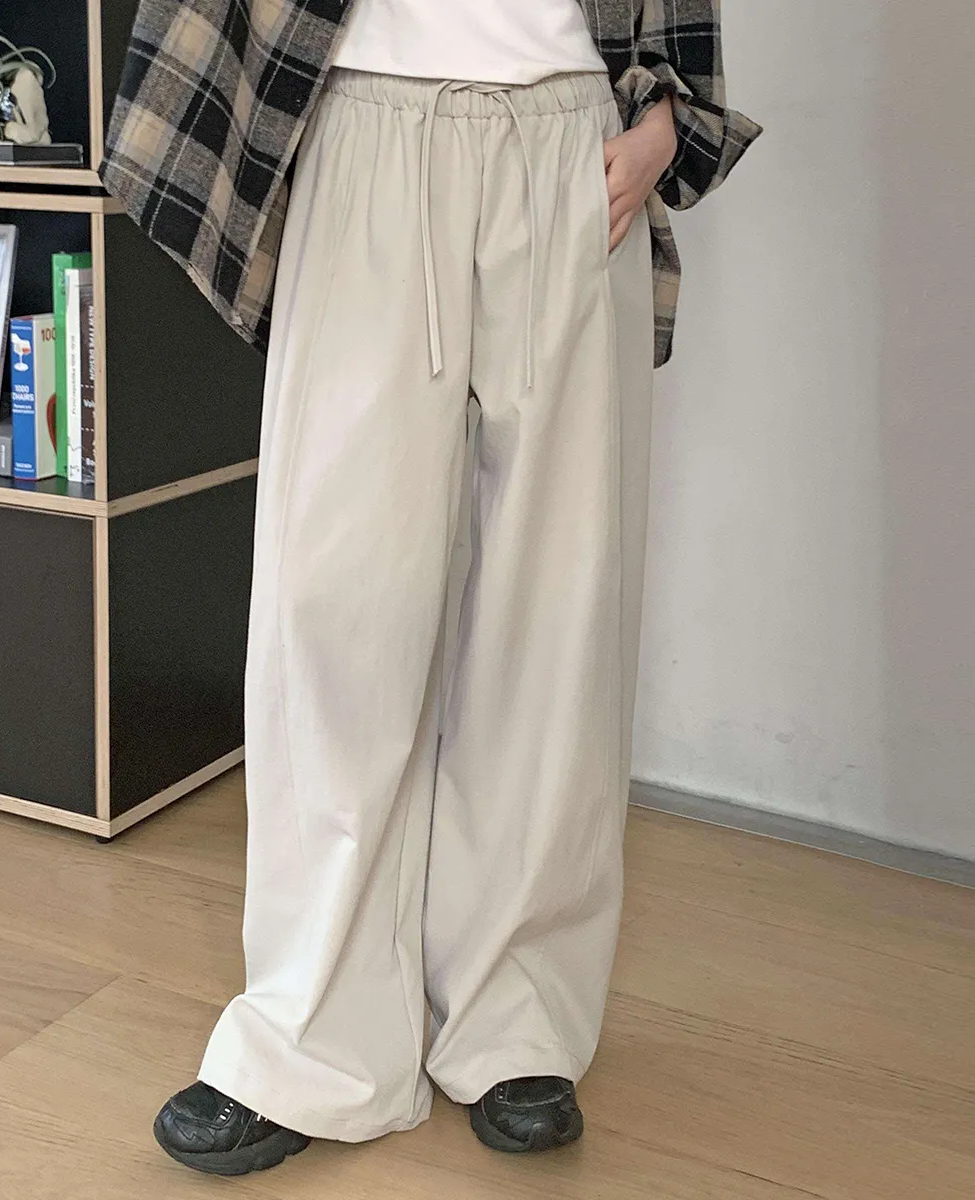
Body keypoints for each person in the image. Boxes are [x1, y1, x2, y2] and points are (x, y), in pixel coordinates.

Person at [103, 0, 761, 1176]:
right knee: (334, 601)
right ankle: (313, 1034)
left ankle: (518, 1020)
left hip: (573, 142)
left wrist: (666, 117)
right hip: (363, 123)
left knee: (555, 607)